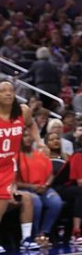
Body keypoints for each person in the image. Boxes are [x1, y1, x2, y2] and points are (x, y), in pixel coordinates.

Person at [0, 79, 38, 250]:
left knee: (1, 204)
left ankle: (26, 239)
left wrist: (39, 142)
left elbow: (31, 125)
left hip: (7, 167)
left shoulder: (23, 111)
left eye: (11, 90)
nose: (8, 93)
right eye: (3, 90)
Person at [17, 132, 64, 248]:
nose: (27, 138)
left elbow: (51, 173)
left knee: (56, 202)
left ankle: (44, 233)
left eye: (29, 135)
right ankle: (33, 236)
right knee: (36, 203)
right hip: (24, 188)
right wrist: (32, 187)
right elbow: (14, 181)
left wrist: (47, 185)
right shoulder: (16, 156)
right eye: (24, 136)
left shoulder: (41, 155)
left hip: (43, 187)